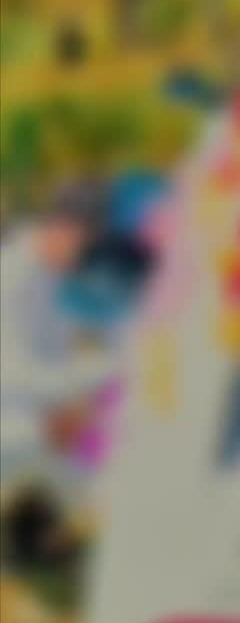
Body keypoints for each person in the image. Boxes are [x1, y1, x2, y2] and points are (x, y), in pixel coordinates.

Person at [0, 180, 116, 504]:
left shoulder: (51, 272)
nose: (84, 258)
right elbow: (10, 376)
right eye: (84, 246)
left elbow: (61, 349)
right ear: (62, 229)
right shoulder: (11, 276)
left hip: (39, 422)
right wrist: (82, 381)